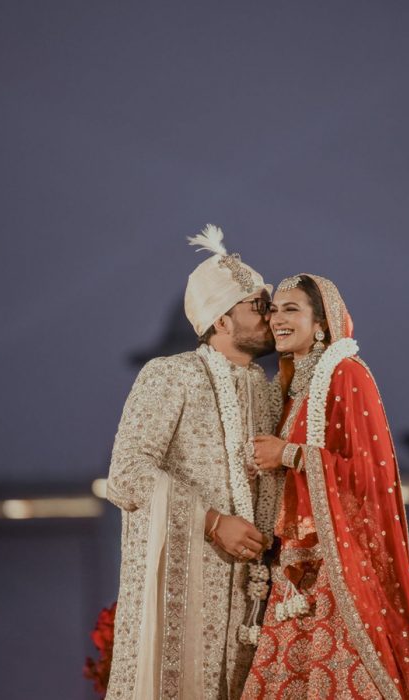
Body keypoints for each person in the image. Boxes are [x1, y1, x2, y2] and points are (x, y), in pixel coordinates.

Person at [243, 274, 409, 699]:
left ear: (321, 321)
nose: (277, 318)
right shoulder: (292, 388)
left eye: (292, 309)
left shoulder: (347, 373)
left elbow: (369, 475)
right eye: (274, 309)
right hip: (294, 572)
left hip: (340, 569)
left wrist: (287, 454)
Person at [105, 225, 283, 699]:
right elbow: (127, 475)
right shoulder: (172, 376)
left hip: (257, 606)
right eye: (256, 305)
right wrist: (211, 522)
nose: (270, 314)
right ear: (221, 320)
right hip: (184, 599)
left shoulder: (271, 394)